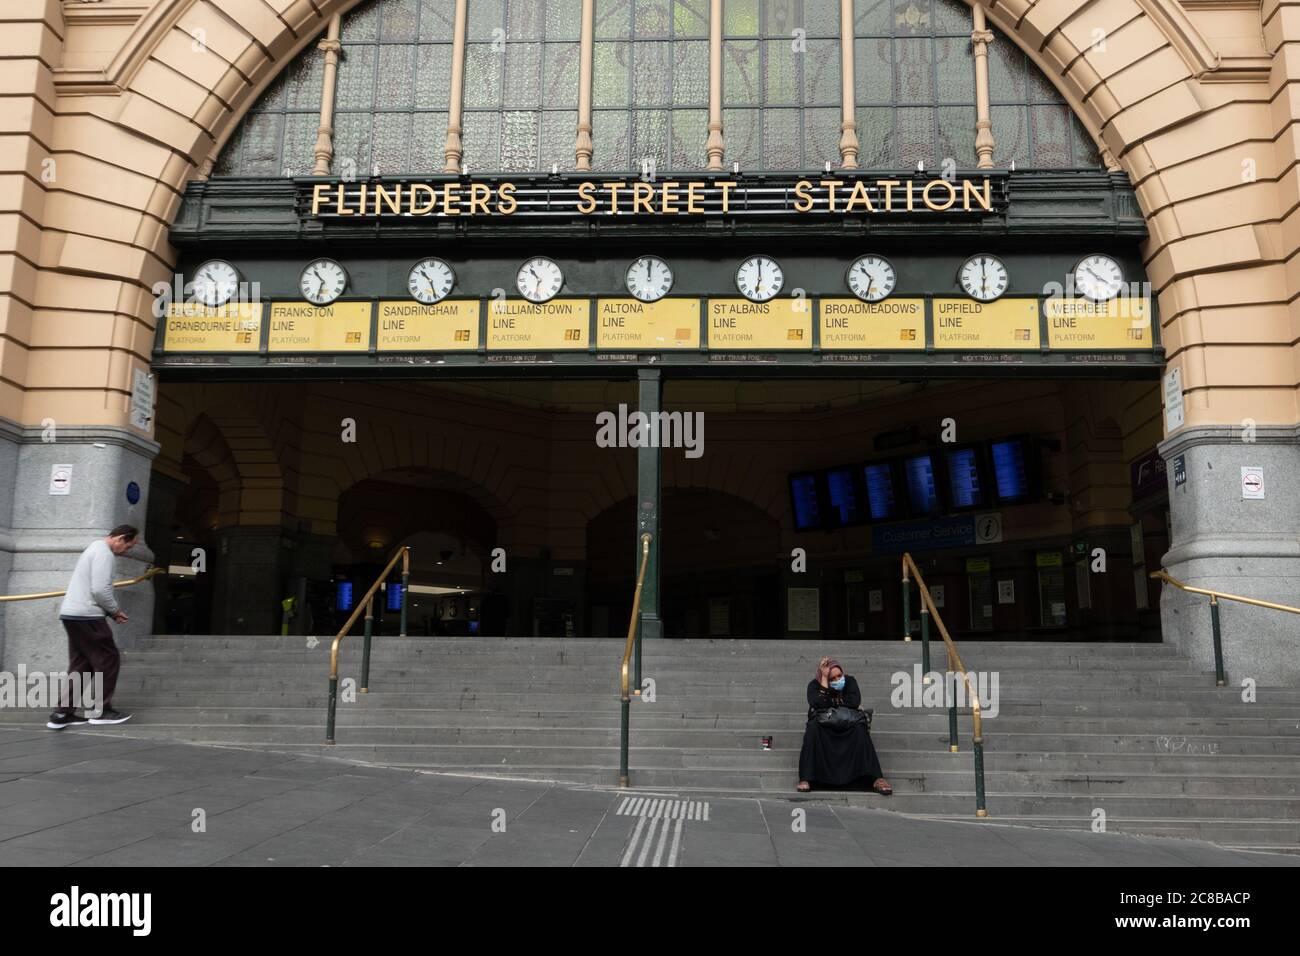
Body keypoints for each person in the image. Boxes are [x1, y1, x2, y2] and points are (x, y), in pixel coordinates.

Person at [46, 525, 139, 730]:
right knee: (108, 659)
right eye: (128, 546)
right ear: (120, 539)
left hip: (72, 614)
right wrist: (115, 611)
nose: (127, 551)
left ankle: (62, 713)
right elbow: (99, 590)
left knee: (82, 664)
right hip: (87, 616)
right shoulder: (104, 554)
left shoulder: (93, 548)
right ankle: (101, 711)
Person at [797, 656, 892, 795]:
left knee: (860, 728)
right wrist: (824, 680)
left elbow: (854, 701)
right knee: (812, 728)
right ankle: (806, 777)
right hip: (824, 724)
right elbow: (817, 704)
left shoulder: (850, 681)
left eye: (839, 676)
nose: (837, 680)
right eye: (832, 678)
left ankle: (876, 778)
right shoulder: (814, 685)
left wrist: (830, 701)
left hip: (848, 723)